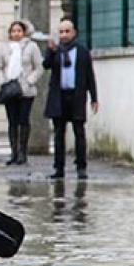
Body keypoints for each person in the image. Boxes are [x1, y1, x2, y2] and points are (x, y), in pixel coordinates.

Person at [43, 16, 98, 180]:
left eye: (67, 31)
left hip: (76, 96)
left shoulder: (81, 51)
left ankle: (81, 167)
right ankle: (58, 168)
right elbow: (46, 65)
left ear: (74, 32)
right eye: (61, 32)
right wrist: (51, 52)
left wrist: (94, 97)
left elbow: (89, 75)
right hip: (58, 97)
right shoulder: (56, 50)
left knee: (79, 132)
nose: (64, 35)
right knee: (59, 134)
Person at [0, 20, 43, 166]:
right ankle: (14, 153)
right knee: (12, 122)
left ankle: (23, 153)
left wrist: (29, 81)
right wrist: (4, 81)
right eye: (13, 31)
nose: (16, 33)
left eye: (19, 31)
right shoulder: (4, 47)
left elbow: (39, 67)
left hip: (26, 90)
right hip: (10, 89)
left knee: (24, 120)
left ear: (24, 32)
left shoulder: (32, 46)